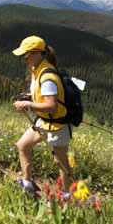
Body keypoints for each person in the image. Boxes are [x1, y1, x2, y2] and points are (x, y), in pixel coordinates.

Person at [12, 36, 72, 199]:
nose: (23, 59)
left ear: (37, 53)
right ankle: (27, 184)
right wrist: (29, 96)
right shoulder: (37, 69)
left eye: (25, 55)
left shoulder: (47, 77)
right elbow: (41, 94)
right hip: (44, 122)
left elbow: (51, 105)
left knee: (61, 163)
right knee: (23, 145)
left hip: (57, 126)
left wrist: (27, 105)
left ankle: (66, 196)